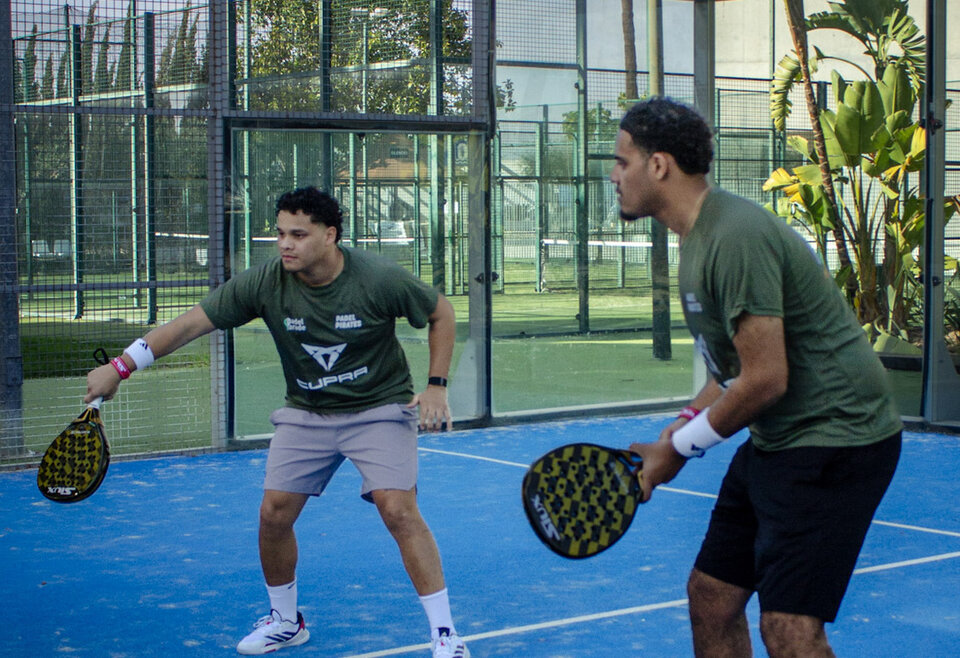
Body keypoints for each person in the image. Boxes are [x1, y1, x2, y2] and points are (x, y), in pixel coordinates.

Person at [85, 186, 469, 658]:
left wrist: (436, 385)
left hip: (378, 408)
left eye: (298, 234)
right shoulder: (265, 282)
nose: (285, 244)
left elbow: (441, 312)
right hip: (306, 411)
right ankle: (286, 621)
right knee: (273, 515)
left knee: (398, 509)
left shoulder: (377, 278)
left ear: (330, 236)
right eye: (280, 233)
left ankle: (446, 636)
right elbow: (189, 324)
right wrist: (120, 367)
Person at [610, 97, 902, 657]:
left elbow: (766, 379)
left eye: (623, 161)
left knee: (790, 628)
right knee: (712, 598)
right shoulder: (698, 239)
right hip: (783, 440)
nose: (614, 174)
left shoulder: (734, 236)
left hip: (838, 440)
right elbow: (731, 372)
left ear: (660, 165)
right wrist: (674, 433)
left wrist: (679, 450)